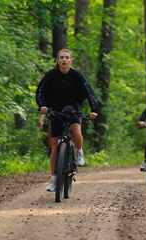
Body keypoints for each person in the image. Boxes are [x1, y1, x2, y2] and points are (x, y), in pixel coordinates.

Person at [36, 48, 99, 192]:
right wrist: (43, 106)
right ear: (57, 60)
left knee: (76, 130)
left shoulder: (77, 76)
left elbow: (89, 92)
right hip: (56, 110)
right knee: (54, 147)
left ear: (71, 60)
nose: (64, 60)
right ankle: (53, 179)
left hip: (73, 109)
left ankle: (79, 151)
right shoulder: (50, 76)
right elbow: (40, 92)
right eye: (61, 58)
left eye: (66, 57)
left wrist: (94, 109)